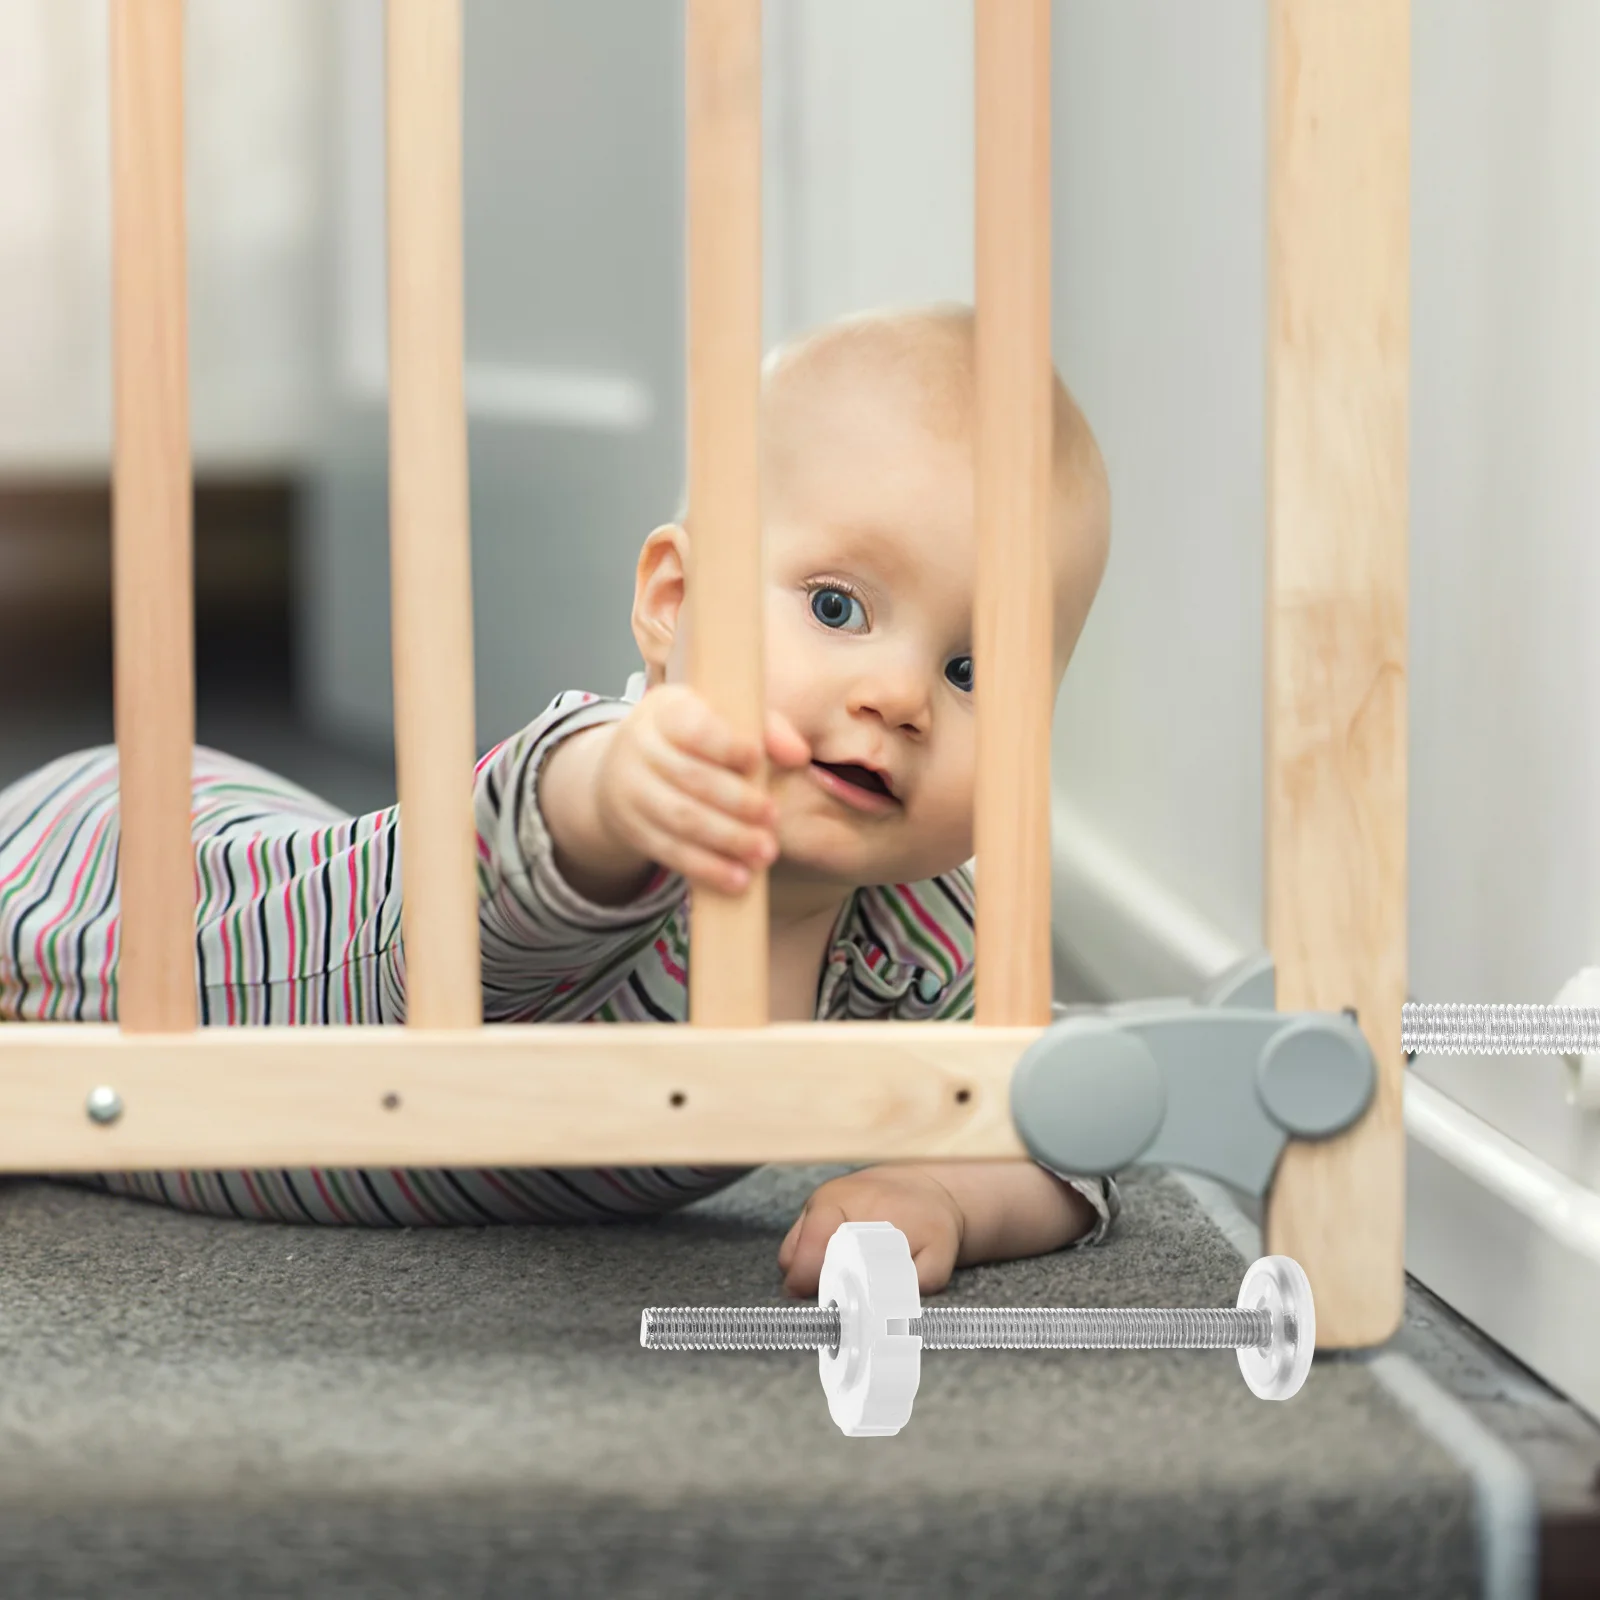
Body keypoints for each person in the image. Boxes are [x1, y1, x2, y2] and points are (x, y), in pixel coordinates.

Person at [0, 304, 1117, 1298]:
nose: (900, 696)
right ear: (673, 605)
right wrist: (620, 796)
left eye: (973, 672)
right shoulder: (607, 780)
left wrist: (948, 1199)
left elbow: (1068, 1124)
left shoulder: (916, 941)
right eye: (835, 607)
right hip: (111, 873)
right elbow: (508, 872)